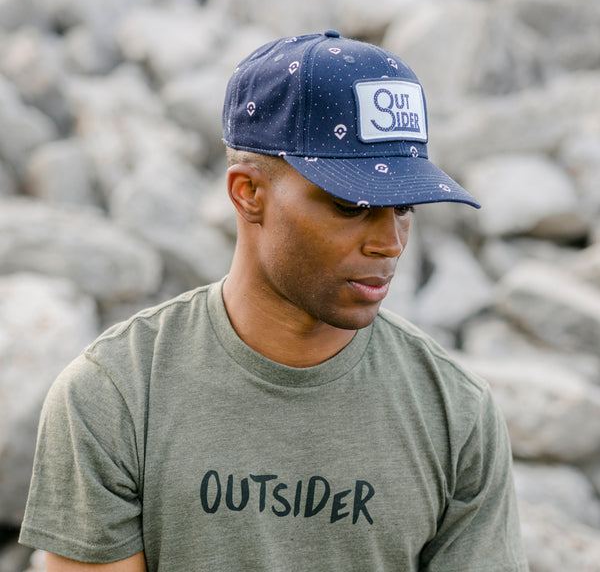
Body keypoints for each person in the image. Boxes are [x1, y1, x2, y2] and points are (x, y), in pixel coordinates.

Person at [19, 30, 528, 571]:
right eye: (352, 205)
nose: (390, 241)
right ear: (248, 193)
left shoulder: (455, 411)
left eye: (404, 206)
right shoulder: (114, 393)